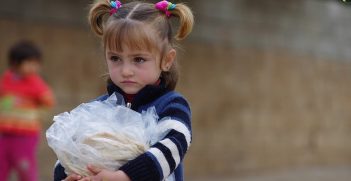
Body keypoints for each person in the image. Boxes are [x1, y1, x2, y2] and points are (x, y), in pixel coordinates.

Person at [53, 0, 194, 180]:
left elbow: (175, 145)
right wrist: (67, 175)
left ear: (167, 60)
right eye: (115, 58)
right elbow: (70, 151)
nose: (126, 71)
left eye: (139, 59)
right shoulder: (96, 109)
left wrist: (125, 176)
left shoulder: (171, 106)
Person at [0, 40, 55, 181]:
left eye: (36, 63)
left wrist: (36, 115)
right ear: (14, 63)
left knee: (24, 167)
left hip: (26, 135)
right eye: (30, 63)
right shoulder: (6, 80)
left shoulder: (35, 83)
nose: (34, 67)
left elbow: (48, 101)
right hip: (5, 133)